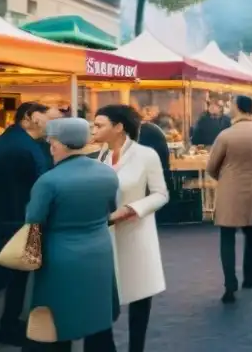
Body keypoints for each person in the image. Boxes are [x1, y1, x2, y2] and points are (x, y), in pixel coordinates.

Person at [25, 118, 120, 352]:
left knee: (55, 321)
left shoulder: (48, 181)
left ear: (56, 144)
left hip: (59, 257)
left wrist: (28, 260)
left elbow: (34, 222)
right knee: (96, 315)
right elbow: (110, 210)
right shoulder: (107, 174)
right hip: (99, 251)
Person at [91, 105, 168, 352]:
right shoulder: (99, 156)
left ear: (118, 127)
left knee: (139, 295)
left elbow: (161, 194)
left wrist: (132, 209)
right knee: (104, 296)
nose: (94, 129)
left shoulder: (146, 155)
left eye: (99, 125)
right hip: (106, 236)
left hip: (136, 234)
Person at [206, 95, 252, 304]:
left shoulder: (226, 136)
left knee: (227, 237)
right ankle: (249, 278)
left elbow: (211, 167)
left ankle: (230, 284)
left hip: (230, 190)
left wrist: (225, 176)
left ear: (237, 108)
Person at [0, 102, 50, 347]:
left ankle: (10, 324)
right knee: (10, 278)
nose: (51, 122)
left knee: (14, 279)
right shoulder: (21, 148)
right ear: (29, 117)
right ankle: (8, 326)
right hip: (14, 222)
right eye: (47, 116)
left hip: (11, 220)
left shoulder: (14, 142)